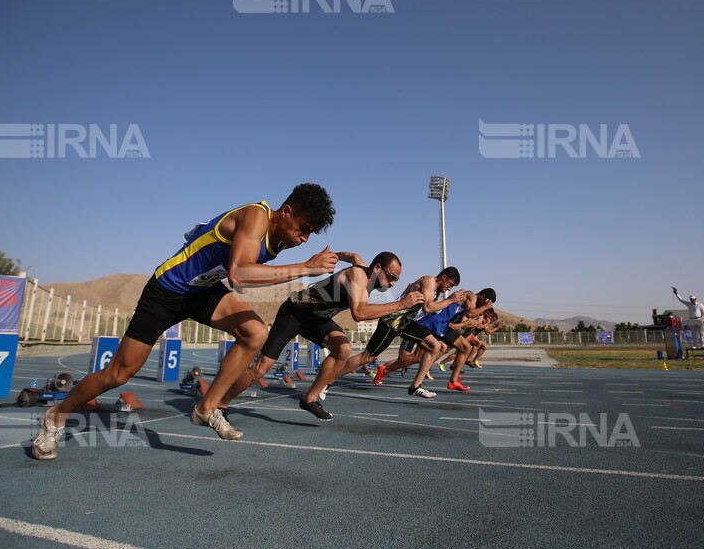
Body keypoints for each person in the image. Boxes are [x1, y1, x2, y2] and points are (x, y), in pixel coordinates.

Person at [31, 184, 337, 460]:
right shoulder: (256, 215)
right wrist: (306, 269)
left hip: (203, 292)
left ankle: (207, 408)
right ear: (286, 211)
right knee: (119, 374)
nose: (304, 239)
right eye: (303, 228)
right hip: (167, 291)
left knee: (255, 333)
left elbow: (238, 275)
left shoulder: (280, 240)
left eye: (311, 234)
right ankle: (56, 417)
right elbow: (240, 274)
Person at [218, 252, 424, 422]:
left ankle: (309, 398)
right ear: (377, 268)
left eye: (396, 279)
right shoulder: (358, 276)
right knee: (261, 368)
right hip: (295, 312)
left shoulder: (364, 268)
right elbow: (359, 313)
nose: (393, 284)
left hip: (317, 318)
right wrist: (401, 304)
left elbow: (352, 255)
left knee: (343, 348)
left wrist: (334, 255)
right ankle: (221, 403)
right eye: (392, 277)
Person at [321, 267, 464, 398]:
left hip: (406, 323)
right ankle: (328, 380)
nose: (449, 289)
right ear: (444, 277)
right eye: (450, 284)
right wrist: (451, 301)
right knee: (366, 357)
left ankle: (415, 386)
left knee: (435, 346)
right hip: (392, 322)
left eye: (452, 288)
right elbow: (428, 308)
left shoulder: (435, 290)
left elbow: (431, 309)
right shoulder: (428, 281)